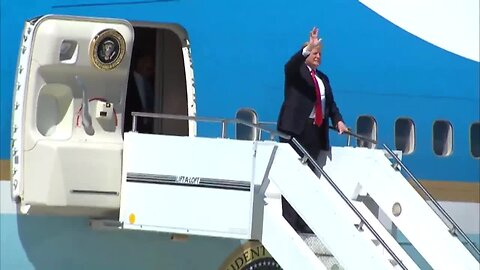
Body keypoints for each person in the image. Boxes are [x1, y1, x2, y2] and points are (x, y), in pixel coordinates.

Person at [277, 27, 348, 233]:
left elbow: (331, 105)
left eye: (319, 54)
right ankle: (290, 220)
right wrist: (309, 46)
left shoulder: (323, 79)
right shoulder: (295, 74)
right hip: (295, 131)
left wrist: (339, 121)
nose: (317, 56)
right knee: (293, 176)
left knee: (308, 178)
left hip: (315, 132)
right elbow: (290, 64)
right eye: (314, 53)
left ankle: (303, 220)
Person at [124, 52, 155, 133]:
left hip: (147, 129)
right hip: (131, 128)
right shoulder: (127, 81)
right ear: (140, 62)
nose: (151, 66)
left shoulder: (152, 83)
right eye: (148, 61)